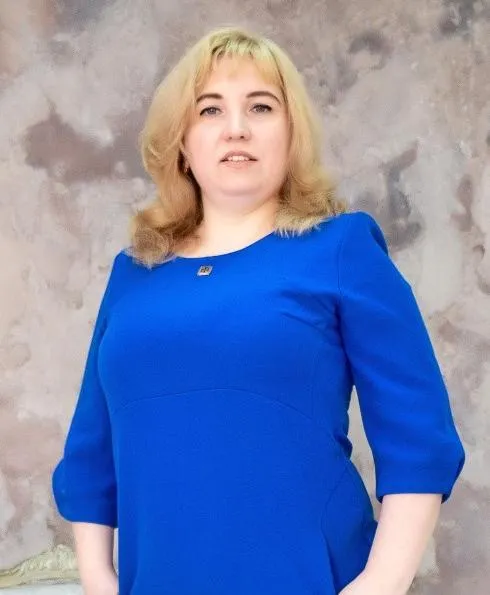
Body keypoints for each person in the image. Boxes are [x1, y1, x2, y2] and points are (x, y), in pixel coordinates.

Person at [51, 25, 465, 595]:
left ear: (292, 133)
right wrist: (98, 578)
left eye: (261, 107)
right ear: (182, 142)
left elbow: (416, 433)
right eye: (210, 110)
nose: (237, 128)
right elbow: (91, 448)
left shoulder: (340, 248)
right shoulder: (134, 273)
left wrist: (381, 583)